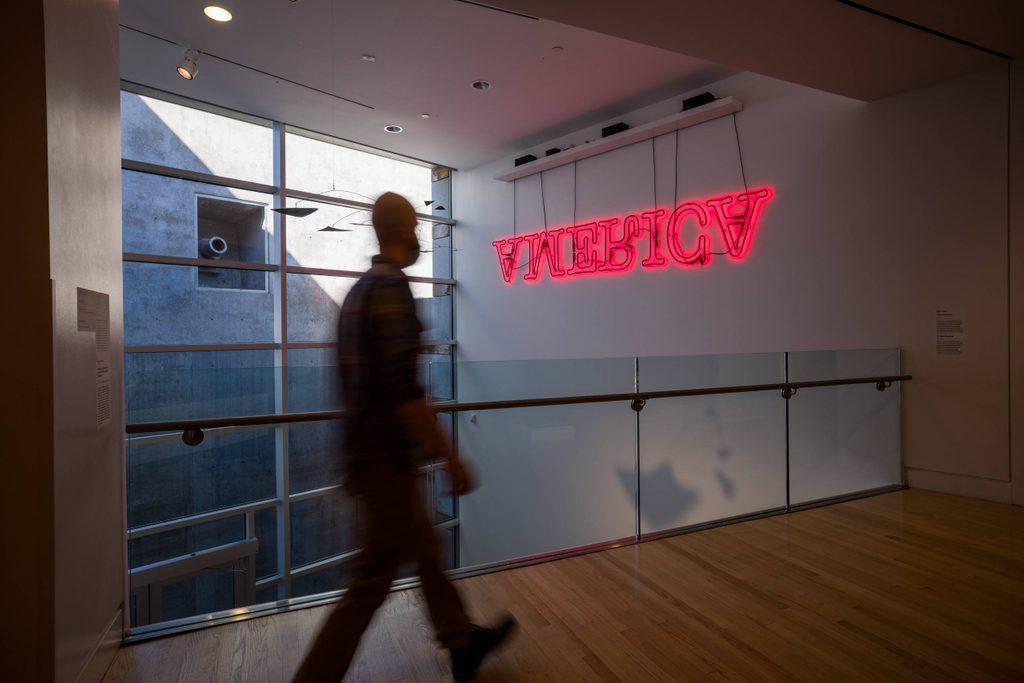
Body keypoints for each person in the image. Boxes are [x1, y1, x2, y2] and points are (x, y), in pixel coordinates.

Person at [293, 192, 515, 683]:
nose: (418, 237)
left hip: (371, 455)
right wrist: (449, 456)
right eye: (415, 227)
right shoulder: (391, 289)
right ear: (402, 228)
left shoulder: (357, 294)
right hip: (386, 459)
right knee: (371, 582)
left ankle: (460, 640)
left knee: (427, 553)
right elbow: (403, 390)